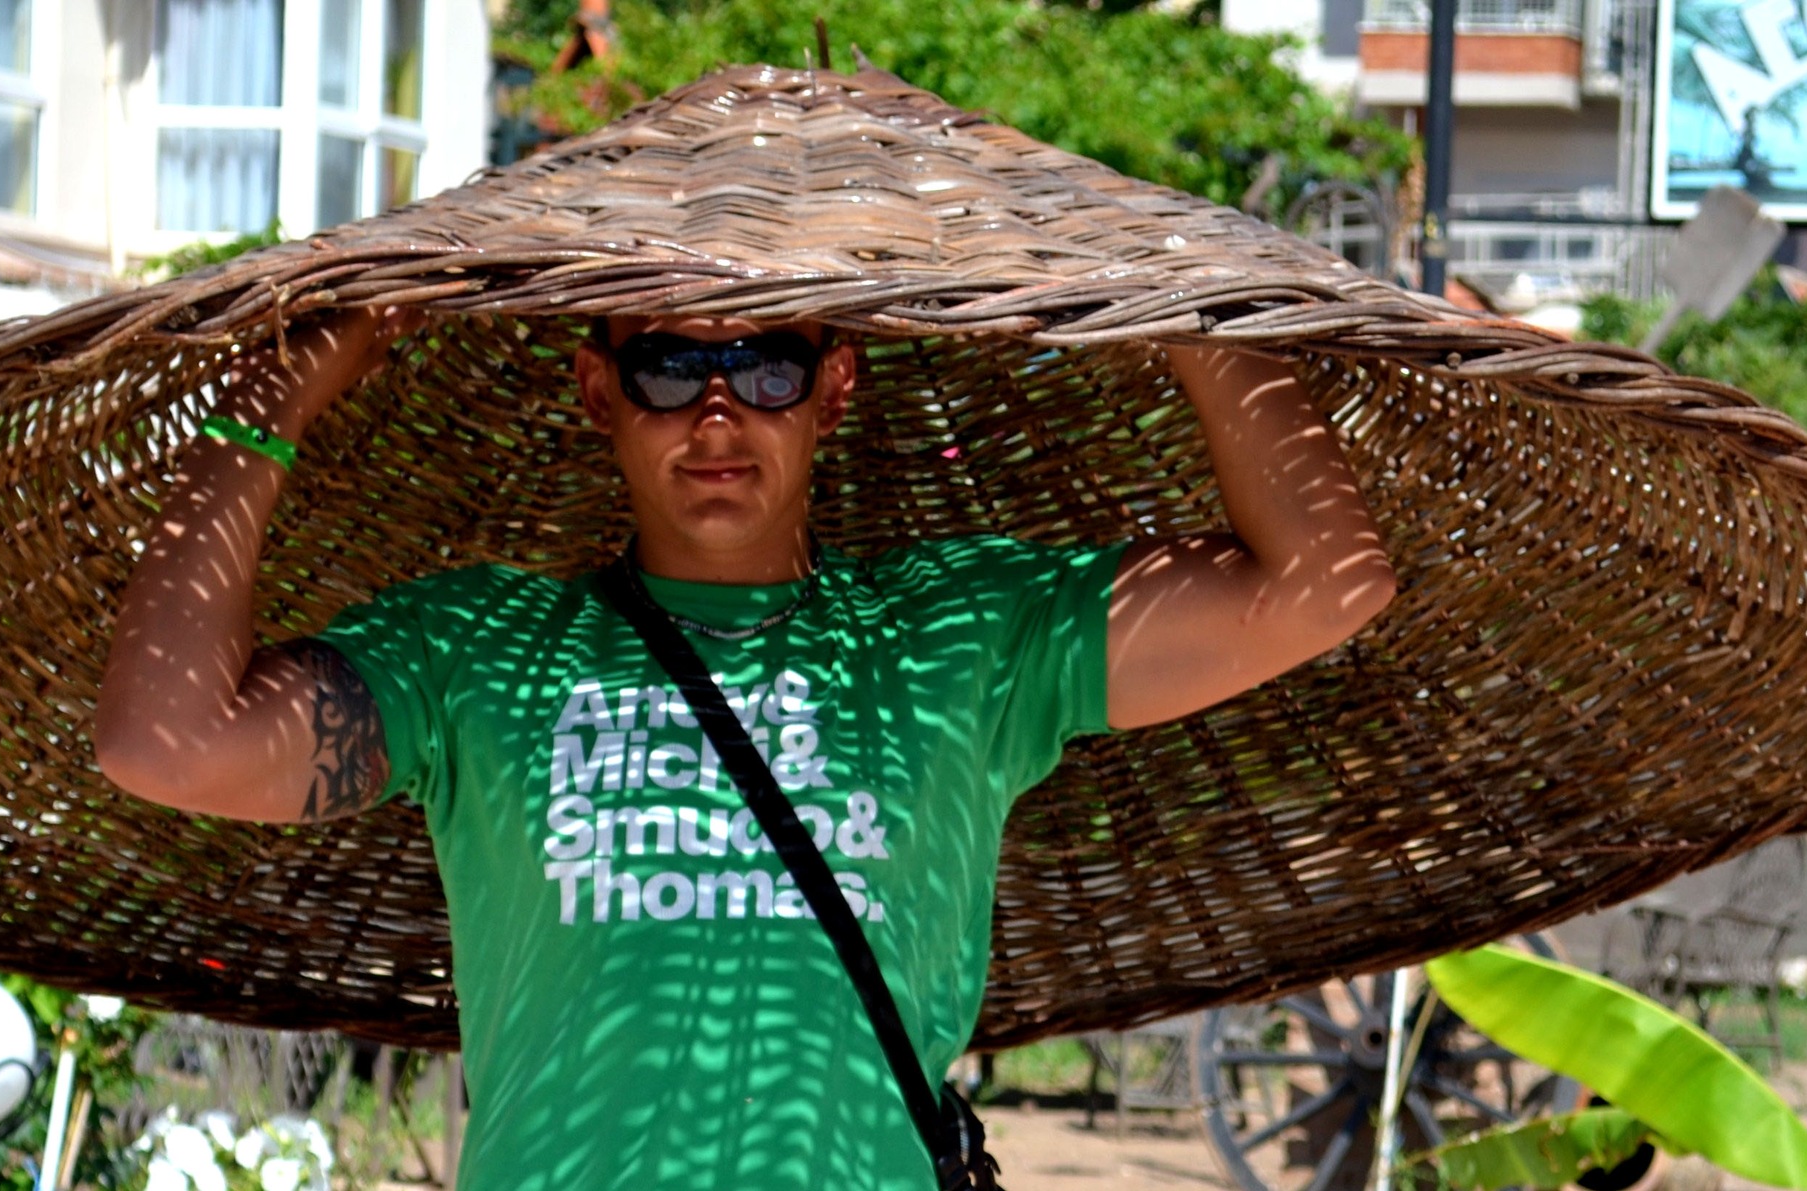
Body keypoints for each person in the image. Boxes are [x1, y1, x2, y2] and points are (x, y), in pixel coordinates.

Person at [94, 306, 1395, 1190]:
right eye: (669, 367)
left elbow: (1323, 588)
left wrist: (1190, 315)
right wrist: (269, 404)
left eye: (768, 364)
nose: (718, 414)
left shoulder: (959, 638)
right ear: (598, 390)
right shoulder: (478, 650)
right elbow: (168, 745)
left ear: (836, 385)